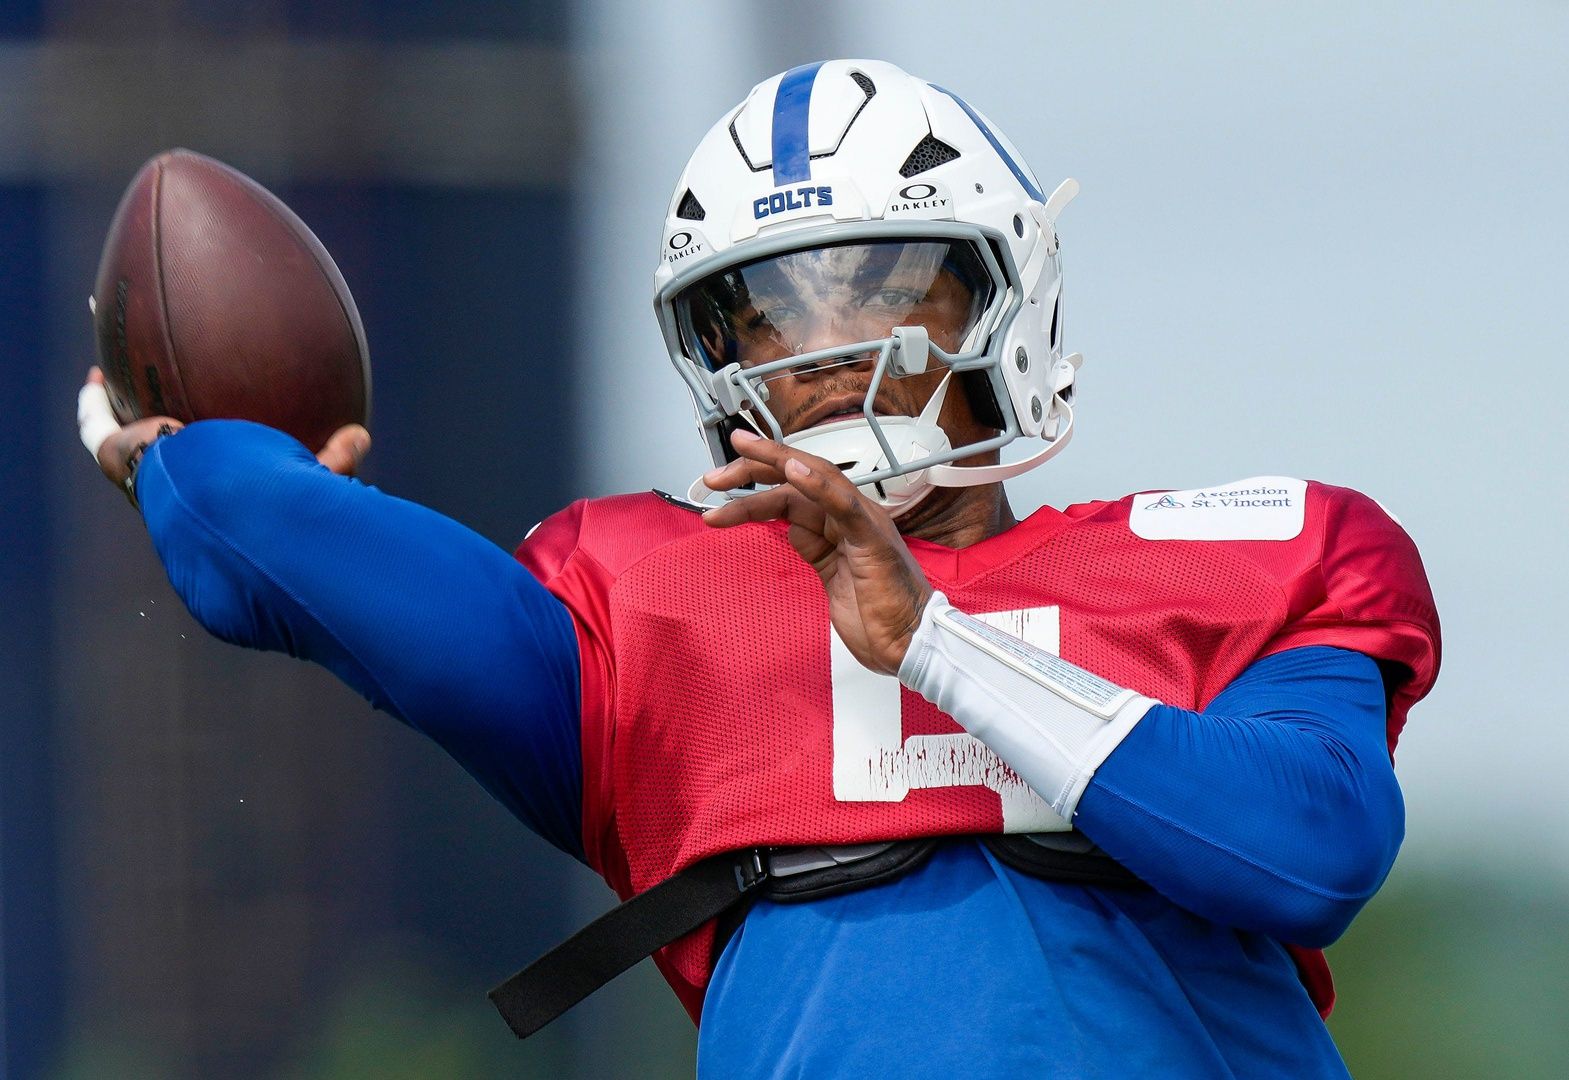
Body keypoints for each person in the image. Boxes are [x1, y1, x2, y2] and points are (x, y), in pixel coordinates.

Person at [79, 59, 1439, 1078]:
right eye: (769, 309)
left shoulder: (1255, 553)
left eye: (883, 286)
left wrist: (938, 647)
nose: (830, 349)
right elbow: (254, 542)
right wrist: (174, 452)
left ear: (1005, 293)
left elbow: (1305, 849)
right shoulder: (641, 603)